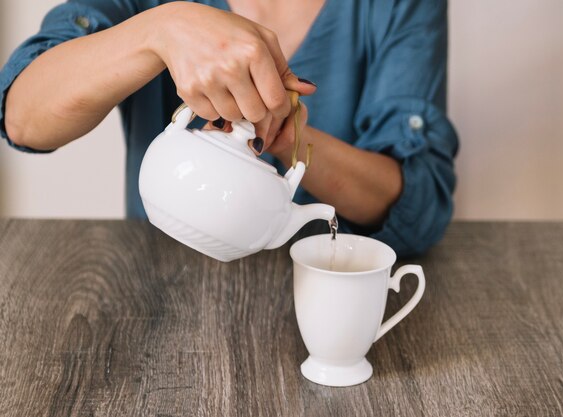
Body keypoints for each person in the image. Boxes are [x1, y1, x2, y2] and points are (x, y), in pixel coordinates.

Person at [0, 0, 458, 256]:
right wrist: (161, 29)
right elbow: (22, 117)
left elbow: (420, 207)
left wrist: (289, 138)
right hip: (151, 288)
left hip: (319, 291)